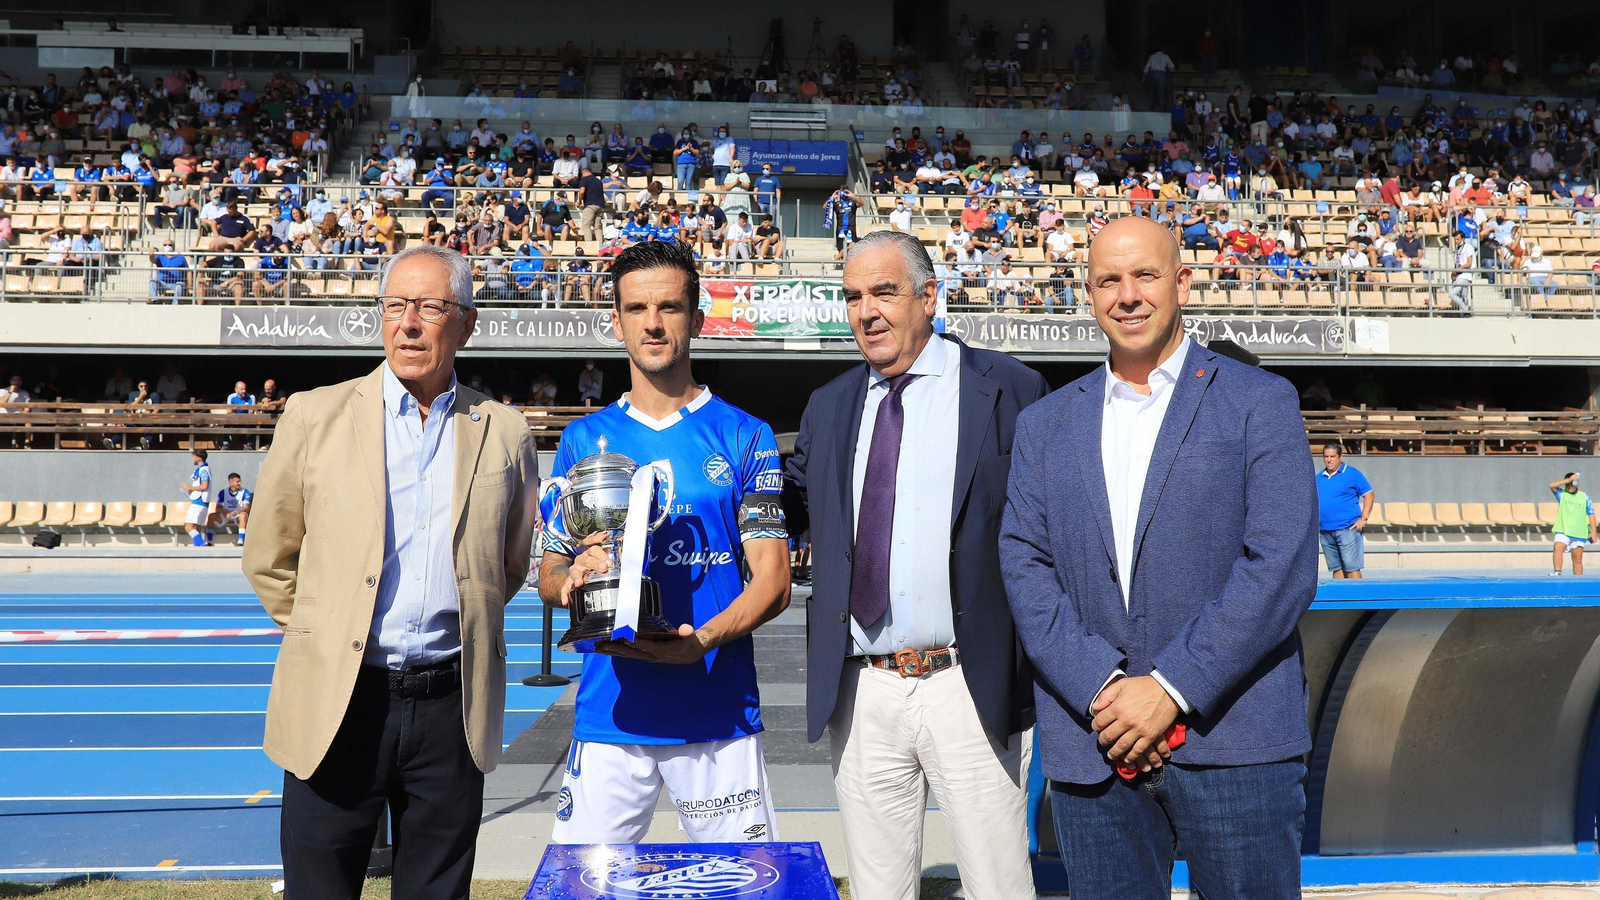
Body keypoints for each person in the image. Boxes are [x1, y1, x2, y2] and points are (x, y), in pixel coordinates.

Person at [1000, 216, 1317, 898]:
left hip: (1235, 742)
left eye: (1145, 275)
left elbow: (1280, 566)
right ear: (1087, 296)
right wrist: (1104, 689)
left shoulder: (1259, 401)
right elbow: (1025, 566)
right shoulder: (1045, 425)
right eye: (1108, 280)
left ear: (1181, 282)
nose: (1128, 295)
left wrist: (1167, 689)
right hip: (1098, 741)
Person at [242, 245, 539, 900]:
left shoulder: (506, 432)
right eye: (395, 305)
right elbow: (269, 556)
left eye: (430, 307)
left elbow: (508, 565)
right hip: (341, 701)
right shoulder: (314, 415)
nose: (408, 323)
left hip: (451, 711)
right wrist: (329, 633)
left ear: (467, 323)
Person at [780, 230, 1048, 900]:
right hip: (863, 688)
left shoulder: (1011, 390)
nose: (865, 310)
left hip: (969, 682)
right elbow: (788, 507)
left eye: (883, 292)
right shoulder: (830, 404)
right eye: (851, 297)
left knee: (999, 887)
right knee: (878, 892)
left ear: (929, 297)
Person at [540, 240, 791, 844]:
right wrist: (572, 580)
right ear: (617, 321)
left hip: (717, 713)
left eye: (669, 308)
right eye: (636, 309)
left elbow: (775, 580)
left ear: (697, 319)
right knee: (585, 889)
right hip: (611, 717)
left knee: (740, 890)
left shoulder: (745, 435)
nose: (652, 324)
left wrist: (699, 642)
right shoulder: (583, 441)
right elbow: (548, 575)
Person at [1316, 443, 1374, 578]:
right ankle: (1340, 598)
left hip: (1347, 528)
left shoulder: (1352, 474)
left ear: (1340, 457)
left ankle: (1357, 597)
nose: (1329, 460)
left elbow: (1369, 495)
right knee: (1336, 568)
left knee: (1352, 567)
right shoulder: (1319, 477)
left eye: (1332, 456)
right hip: (1325, 530)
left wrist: (1363, 518)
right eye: (1326, 456)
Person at [1550, 473, 1597, 576]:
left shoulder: (1584, 497)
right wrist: (1567, 480)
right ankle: (1557, 572)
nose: (1570, 485)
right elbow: (1552, 485)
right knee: (1558, 547)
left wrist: (1594, 532)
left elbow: (1591, 514)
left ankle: (1579, 581)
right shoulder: (1562, 494)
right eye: (1568, 483)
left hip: (1578, 531)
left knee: (1577, 558)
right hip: (1563, 529)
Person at [208, 472, 252, 547]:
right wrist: (225, 512)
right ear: (231, 482)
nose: (240, 483)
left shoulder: (245, 492)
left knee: (243, 515)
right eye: (237, 481)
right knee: (211, 516)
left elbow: (246, 508)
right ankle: (209, 541)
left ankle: (240, 541)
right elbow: (217, 508)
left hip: (238, 515)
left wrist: (236, 512)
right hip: (227, 515)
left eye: (240, 481)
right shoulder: (223, 492)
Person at [180, 449, 211, 547]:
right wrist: (192, 490)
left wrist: (190, 487)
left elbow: (205, 485)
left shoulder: (204, 470)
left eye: (193, 456)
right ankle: (198, 546)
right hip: (201, 501)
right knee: (196, 527)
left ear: (198, 458)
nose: (192, 459)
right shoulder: (203, 469)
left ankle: (202, 544)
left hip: (199, 501)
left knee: (188, 527)